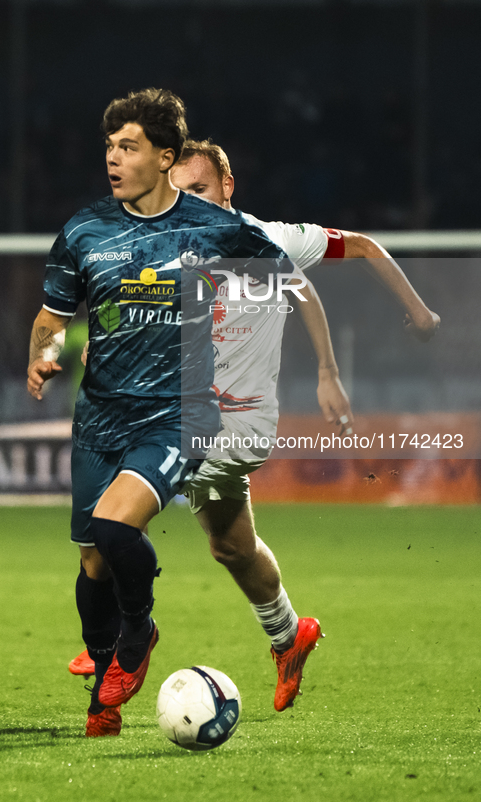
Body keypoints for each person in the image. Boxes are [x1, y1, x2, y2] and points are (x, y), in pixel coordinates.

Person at [70, 137, 440, 713]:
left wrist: (415, 312)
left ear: (228, 187)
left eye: (199, 189)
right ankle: (289, 636)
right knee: (230, 546)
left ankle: (121, 642)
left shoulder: (271, 239)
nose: (188, 200)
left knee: (111, 530)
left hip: (236, 426)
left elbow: (363, 247)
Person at [27, 91, 294, 738]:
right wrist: (44, 352)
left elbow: (279, 278)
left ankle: (139, 630)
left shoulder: (213, 227)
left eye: (129, 147)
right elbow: (52, 317)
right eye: (110, 147)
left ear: (165, 157)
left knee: (117, 531)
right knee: (93, 562)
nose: (114, 159)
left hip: (176, 416)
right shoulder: (84, 230)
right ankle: (102, 693)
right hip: (98, 418)